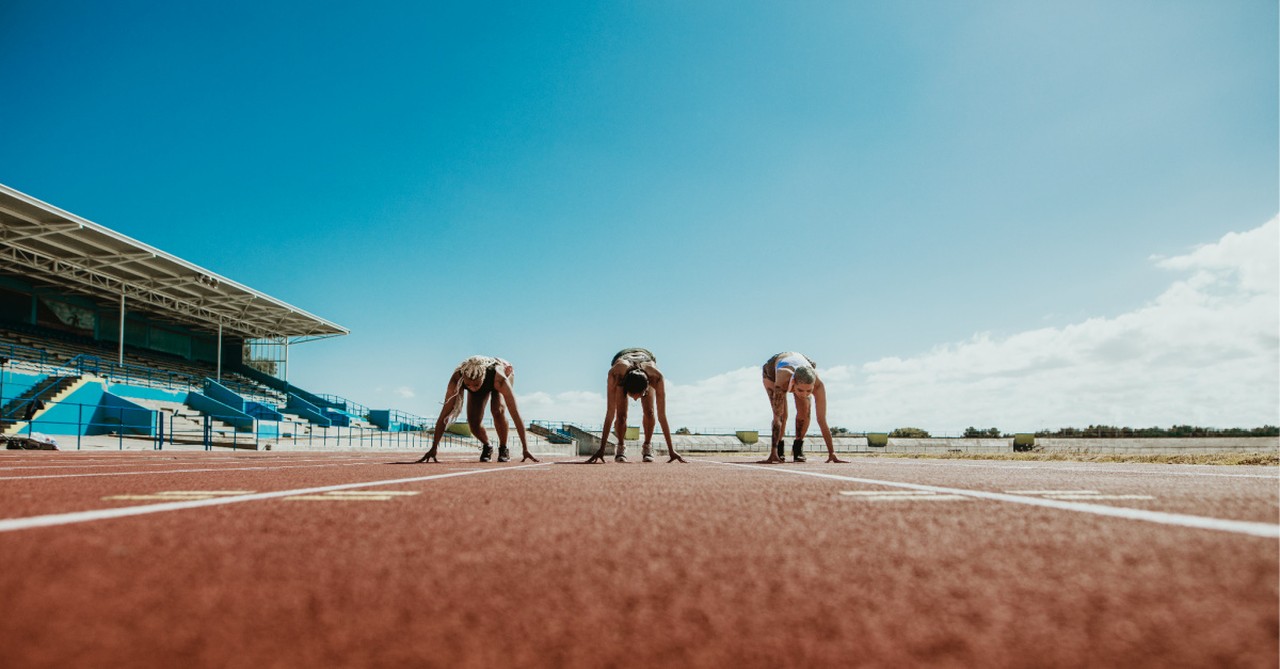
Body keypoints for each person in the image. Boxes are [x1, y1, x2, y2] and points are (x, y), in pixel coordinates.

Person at [416, 356, 537, 463]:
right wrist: (434, 447)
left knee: (498, 410)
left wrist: (525, 448)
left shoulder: (499, 379)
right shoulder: (457, 378)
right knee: (473, 422)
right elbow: (445, 414)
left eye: (476, 385)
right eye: (468, 385)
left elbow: (515, 413)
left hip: (502, 371)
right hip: (482, 379)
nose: (472, 388)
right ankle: (487, 446)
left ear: (483, 377)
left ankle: (503, 448)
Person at [585, 348, 686, 463]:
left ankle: (647, 446)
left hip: (646, 358)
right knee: (621, 416)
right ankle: (621, 446)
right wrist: (601, 449)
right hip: (621, 360)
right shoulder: (616, 375)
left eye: (640, 395)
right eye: (631, 395)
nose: (636, 399)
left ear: (647, 387)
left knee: (649, 412)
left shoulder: (656, 377)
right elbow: (610, 413)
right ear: (625, 388)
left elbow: (662, 416)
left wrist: (671, 451)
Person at [760, 352, 847, 464]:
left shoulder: (818, 385)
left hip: (804, 363)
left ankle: (798, 448)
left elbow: (822, 420)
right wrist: (773, 452)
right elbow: (777, 418)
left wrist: (832, 453)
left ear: (813, 385)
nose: (804, 394)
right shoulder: (783, 378)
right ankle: (779, 449)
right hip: (772, 370)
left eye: (809, 391)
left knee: (805, 412)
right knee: (782, 415)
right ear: (793, 382)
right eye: (800, 390)